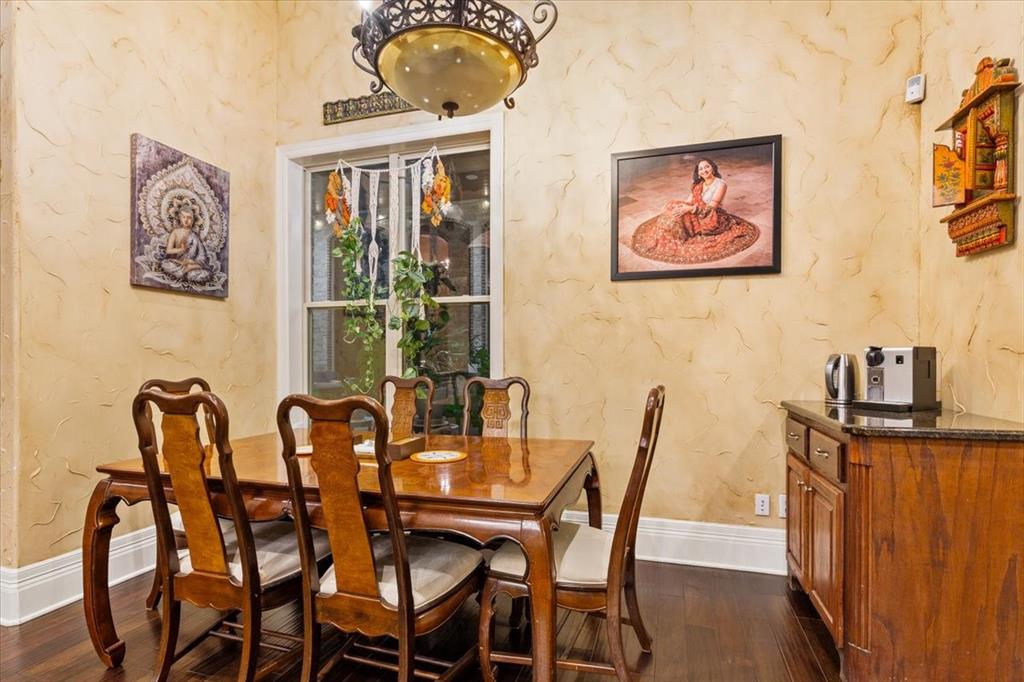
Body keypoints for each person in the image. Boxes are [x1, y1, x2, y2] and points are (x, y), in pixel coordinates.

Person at [159, 205, 212, 284]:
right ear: (180, 218)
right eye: (183, 217)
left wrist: (192, 262)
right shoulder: (175, 232)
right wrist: (181, 249)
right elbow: (168, 251)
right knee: (165, 264)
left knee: (204, 274)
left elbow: (202, 255)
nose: (186, 220)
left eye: (189, 218)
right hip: (178, 262)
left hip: (191, 263)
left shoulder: (195, 236)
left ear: (193, 220)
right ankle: (186, 270)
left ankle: (188, 269)